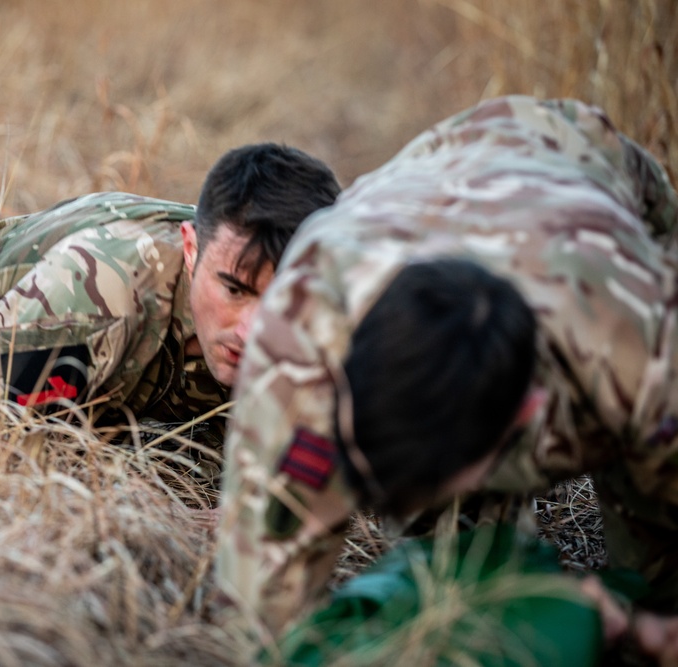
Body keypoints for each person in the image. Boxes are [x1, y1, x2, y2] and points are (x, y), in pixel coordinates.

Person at [214, 96, 678, 659]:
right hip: (429, 178)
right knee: (447, 590)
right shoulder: (301, 338)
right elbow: (259, 609)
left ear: (527, 416)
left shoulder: (642, 345)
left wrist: (645, 624)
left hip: (563, 154)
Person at [0, 143, 341, 432]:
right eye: (234, 291)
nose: (253, 330)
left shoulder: (331, 311)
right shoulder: (97, 292)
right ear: (191, 248)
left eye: (283, 301)